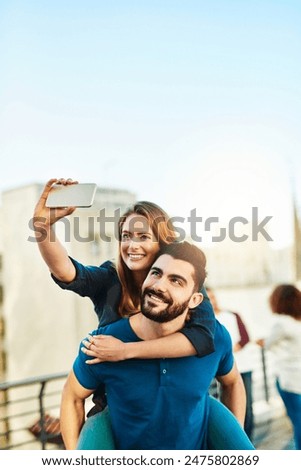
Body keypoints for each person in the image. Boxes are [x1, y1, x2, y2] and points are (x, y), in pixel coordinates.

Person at [33, 178, 252, 450]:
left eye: (143, 237)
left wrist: (125, 350)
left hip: (177, 401)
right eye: (126, 236)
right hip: (119, 402)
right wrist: (43, 226)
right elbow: (66, 271)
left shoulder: (190, 292)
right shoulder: (110, 279)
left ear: (163, 243)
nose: (132, 245)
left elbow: (204, 339)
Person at [60, 241, 252, 450]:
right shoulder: (104, 343)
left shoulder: (215, 338)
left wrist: (231, 438)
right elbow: (72, 397)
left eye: (176, 281)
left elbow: (233, 382)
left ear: (195, 300)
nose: (159, 285)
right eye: (156, 273)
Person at [206, 287, 254, 441]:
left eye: (213, 297)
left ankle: (246, 441)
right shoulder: (202, 321)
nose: (212, 301)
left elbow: (245, 337)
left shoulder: (231, 315)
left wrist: (230, 349)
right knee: (222, 409)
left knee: (246, 407)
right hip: (215, 370)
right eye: (208, 298)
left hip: (241, 367)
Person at [257, 284, 301, 450]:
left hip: (290, 380)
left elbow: (268, 344)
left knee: (298, 422)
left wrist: (261, 341)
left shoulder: (282, 324)